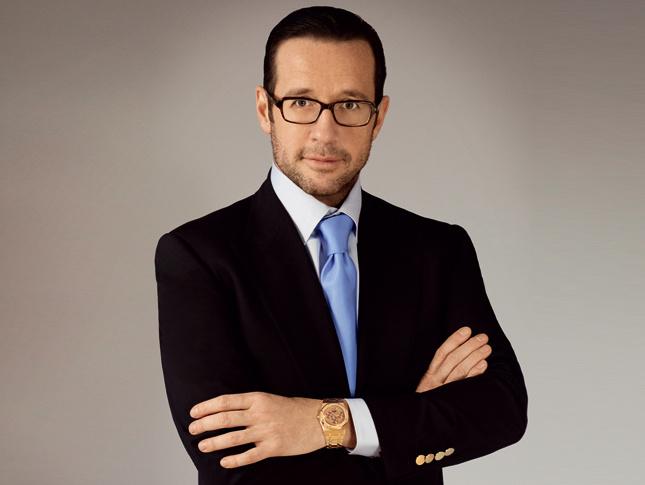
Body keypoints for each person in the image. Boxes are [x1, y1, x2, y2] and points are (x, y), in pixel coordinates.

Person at [154, 6, 528, 485]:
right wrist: (405, 421)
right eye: (301, 102)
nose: (324, 132)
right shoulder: (198, 256)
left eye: (349, 105)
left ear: (379, 116)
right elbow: (229, 459)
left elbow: (501, 409)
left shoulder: (438, 249)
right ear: (266, 110)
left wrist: (324, 424)